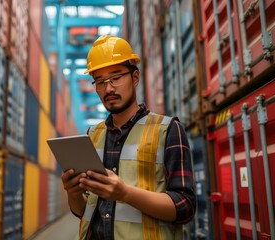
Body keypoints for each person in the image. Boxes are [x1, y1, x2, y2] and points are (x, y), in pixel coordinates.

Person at [61, 35, 196, 240]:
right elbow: (84, 212)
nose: (109, 88)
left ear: (135, 78)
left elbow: (185, 207)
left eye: (116, 78)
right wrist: (72, 192)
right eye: (100, 81)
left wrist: (124, 193)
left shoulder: (168, 130)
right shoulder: (92, 136)